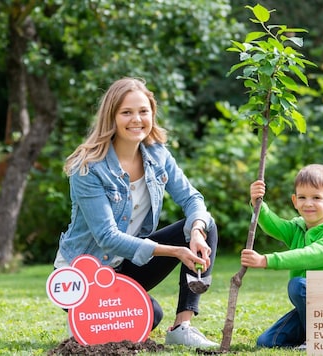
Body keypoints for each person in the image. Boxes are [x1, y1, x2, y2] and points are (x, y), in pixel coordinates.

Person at [53, 77, 218, 348]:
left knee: (205, 223)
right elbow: (107, 236)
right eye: (126, 112)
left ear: (152, 113)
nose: (137, 119)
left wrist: (197, 231)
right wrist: (176, 251)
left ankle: (182, 326)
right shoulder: (87, 167)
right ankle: (86, 315)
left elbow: (192, 198)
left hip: (126, 265)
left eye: (143, 111)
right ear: (111, 117)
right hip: (86, 273)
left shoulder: (157, 154)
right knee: (151, 315)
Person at [241, 164, 323, 349]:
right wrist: (258, 203)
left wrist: (266, 260)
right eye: (302, 197)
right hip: (309, 309)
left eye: (316, 198)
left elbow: (308, 255)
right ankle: (308, 339)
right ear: (294, 201)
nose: (308, 203)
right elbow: (274, 225)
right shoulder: (298, 228)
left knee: (298, 285)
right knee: (267, 342)